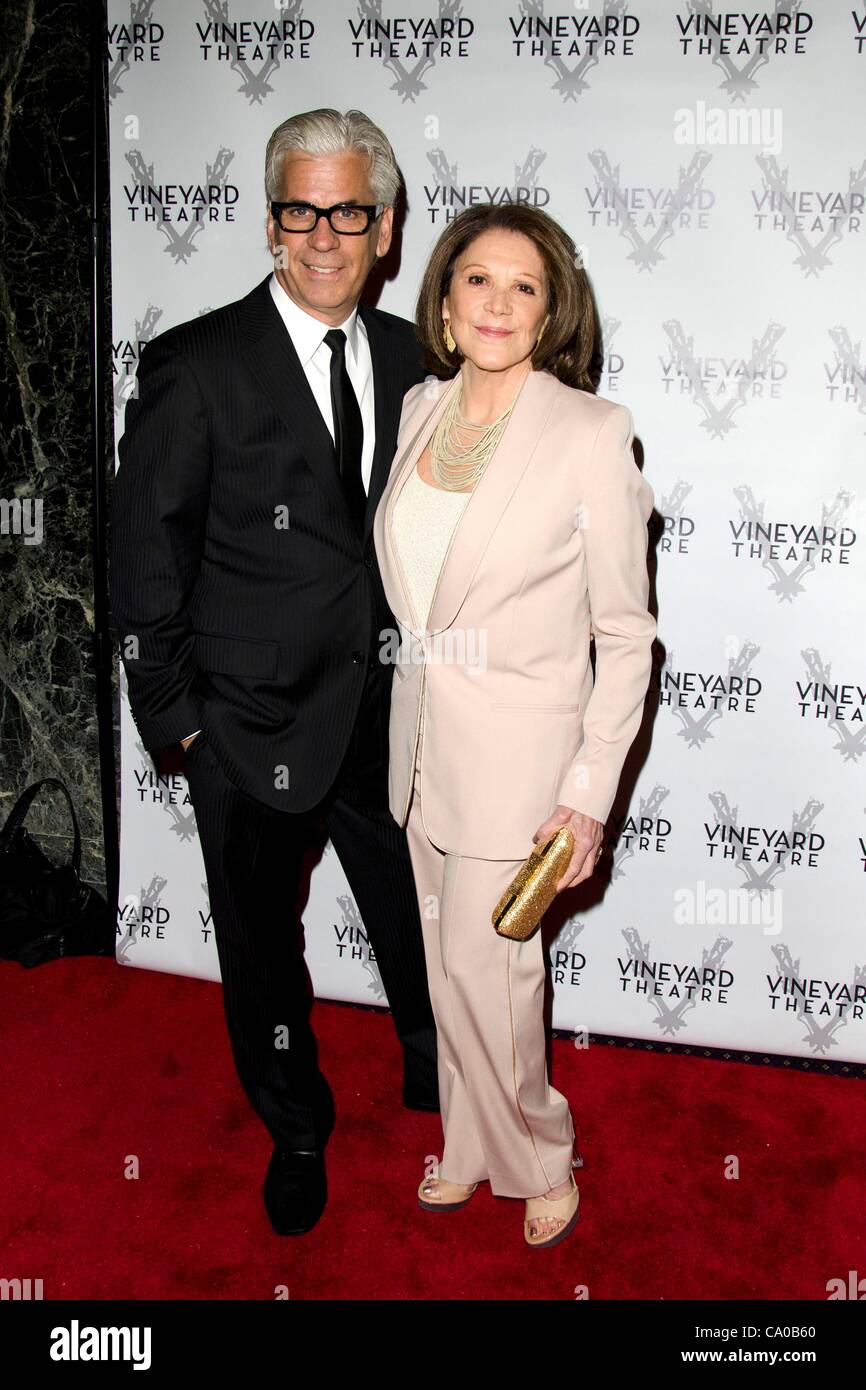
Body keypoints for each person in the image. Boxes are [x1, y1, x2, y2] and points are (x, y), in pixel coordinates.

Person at [109, 109, 440, 1237]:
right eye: (300, 209)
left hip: (385, 711)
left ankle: (427, 1049)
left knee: (414, 908)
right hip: (246, 725)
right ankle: (296, 1128)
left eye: (348, 211)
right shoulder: (196, 366)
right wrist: (179, 723)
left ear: (383, 226)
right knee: (262, 952)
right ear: (269, 221)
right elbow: (142, 552)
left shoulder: (414, 363)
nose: (322, 235)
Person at [373, 203, 657, 1248]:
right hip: (421, 752)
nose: (496, 303)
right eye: (476, 281)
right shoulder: (416, 410)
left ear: (550, 311)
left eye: (522, 286)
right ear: (443, 302)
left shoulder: (587, 432)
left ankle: (539, 1152)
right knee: (448, 969)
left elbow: (624, 635)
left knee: (497, 974)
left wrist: (585, 796)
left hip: (522, 767)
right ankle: (463, 1142)